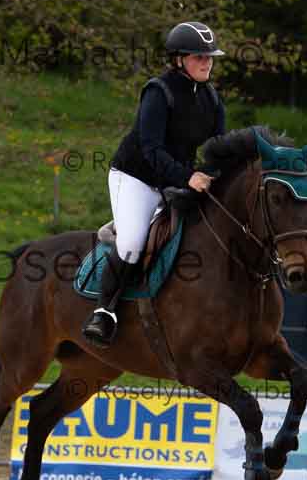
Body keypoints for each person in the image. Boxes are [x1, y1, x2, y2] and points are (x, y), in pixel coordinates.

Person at [81, 21, 226, 348]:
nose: (207, 63)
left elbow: (219, 146)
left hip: (175, 179)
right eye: (199, 57)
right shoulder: (159, 92)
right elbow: (151, 149)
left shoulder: (212, 98)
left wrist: (218, 172)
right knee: (133, 242)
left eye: (210, 57)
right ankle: (104, 312)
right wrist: (188, 177)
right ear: (178, 59)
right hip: (136, 177)